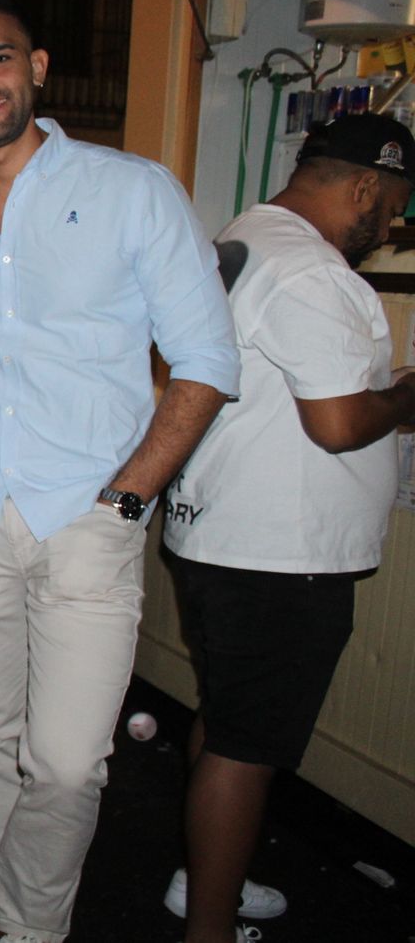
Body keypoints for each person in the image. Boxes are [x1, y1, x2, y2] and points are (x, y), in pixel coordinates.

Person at [0, 0, 240, 943]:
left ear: (39, 67)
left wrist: (128, 495)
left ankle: (28, 928)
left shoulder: (131, 189)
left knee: (64, 762)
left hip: (92, 516)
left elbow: (208, 359)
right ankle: (11, 926)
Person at [161, 114, 415, 943]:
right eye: (393, 207)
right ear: (366, 185)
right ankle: (209, 927)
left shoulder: (245, 237)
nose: (391, 227)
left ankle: (208, 882)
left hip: (222, 535)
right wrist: (406, 394)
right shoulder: (310, 270)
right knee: (247, 747)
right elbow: (336, 424)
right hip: (279, 552)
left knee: (227, 720)